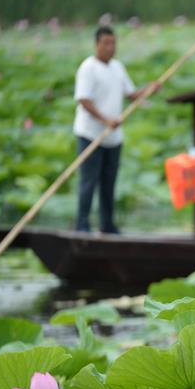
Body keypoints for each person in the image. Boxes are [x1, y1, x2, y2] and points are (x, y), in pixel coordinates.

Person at [73, 25, 159, 233]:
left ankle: (107, 225)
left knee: (109, 183)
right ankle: (82, 225)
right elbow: (84, 100)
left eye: (113, 43)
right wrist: (105, 120)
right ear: (97, 44)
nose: (111, 47)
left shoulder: (117, 67)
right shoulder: (88, 68)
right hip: (91, 134)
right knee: (89, 181)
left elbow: (131, 94)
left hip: (113, 138)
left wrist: (149, 90)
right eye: (106, 43)